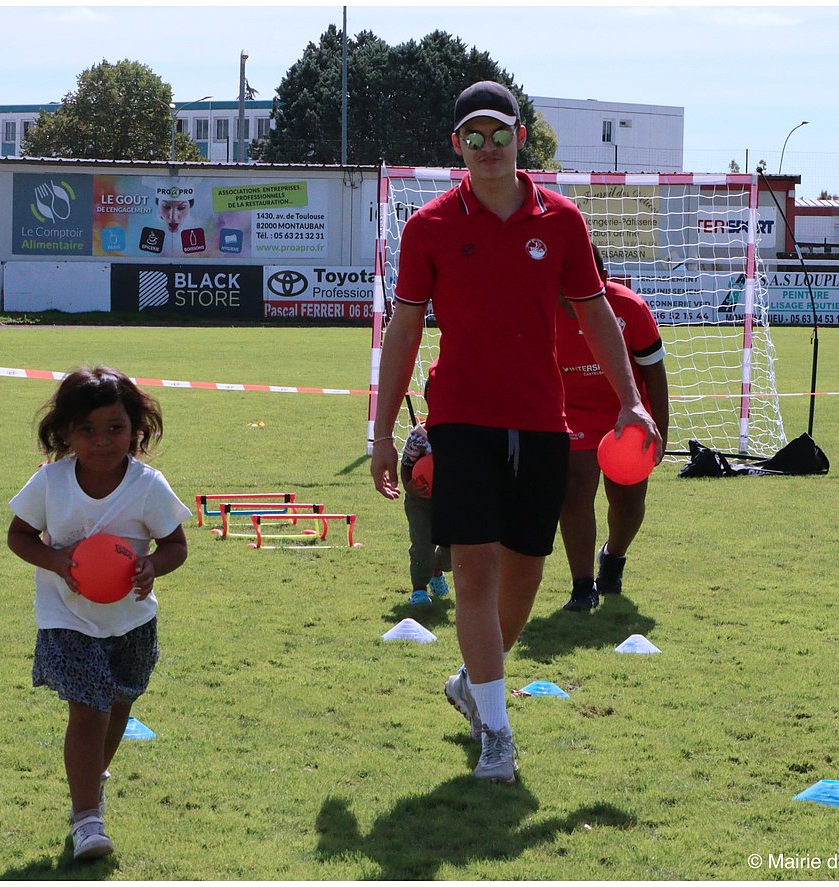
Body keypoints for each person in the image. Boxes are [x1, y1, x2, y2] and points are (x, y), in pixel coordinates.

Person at [369, 80, 661, 784]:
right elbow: (404, 327)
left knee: (526, 572)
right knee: (472, 571)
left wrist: (632, 402)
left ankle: (475, 683)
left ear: (518, 138)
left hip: (540, 420)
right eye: (473, 136)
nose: (488, 147)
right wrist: (380, 430)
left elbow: (596, 315)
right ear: (456, 146)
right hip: (461, 418)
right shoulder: (428, 226)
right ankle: (496, 733)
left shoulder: (560, 220)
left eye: (499, 134)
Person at [7, 367, 190, 861]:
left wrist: (153, 565)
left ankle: (92, 777)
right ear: (65, 432)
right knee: (88, 711)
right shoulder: (51, 482)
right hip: (67, 618)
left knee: (120, 703)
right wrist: (56, 561)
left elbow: (175, 546)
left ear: (136, 429)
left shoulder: (148, 486)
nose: (102, 441)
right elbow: (19, 536)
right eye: (87, 429)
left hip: (130, 620)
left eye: (115, 428)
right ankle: (88, 819)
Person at [558, 244, 670, 612]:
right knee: (574, 489)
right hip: (573, 413)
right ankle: (582, 586)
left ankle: (614, 557)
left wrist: (661, 432)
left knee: (628, 500)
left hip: (628, 410)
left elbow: (654, 372)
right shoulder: (539, 309)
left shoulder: (630, 308)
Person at [400, 416, 452, 605]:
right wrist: (409, 486)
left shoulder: (463, 434)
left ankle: (436, 571)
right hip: (420, 501)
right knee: (422, 545)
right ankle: (419, 590)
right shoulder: (418, 436)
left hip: (451, 502)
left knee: (452, 552)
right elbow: (405, 465)